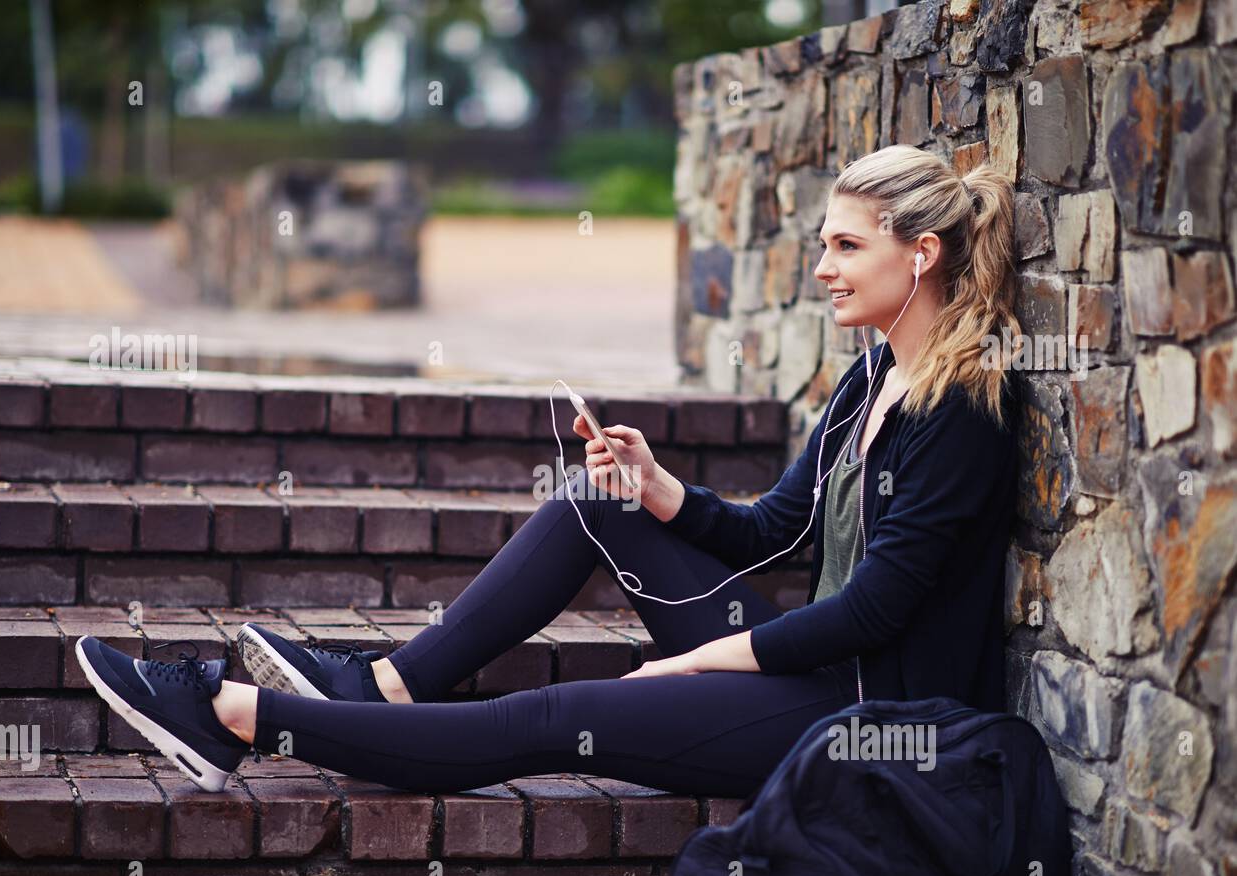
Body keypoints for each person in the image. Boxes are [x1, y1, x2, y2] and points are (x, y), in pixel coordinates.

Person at [75, 144, 1023, 797]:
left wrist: (691, 664)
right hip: (816, 672)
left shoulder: (964, 410)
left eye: (846, 246)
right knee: (596, 500)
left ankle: (233, 715)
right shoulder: (872, 379)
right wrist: (661, 489)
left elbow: (872, 616)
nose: (821, 266)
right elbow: (775, 529)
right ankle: (389, 686)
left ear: (923, 253)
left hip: (870, 720)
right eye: (824, 242)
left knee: (556, 715)